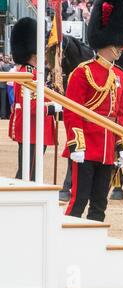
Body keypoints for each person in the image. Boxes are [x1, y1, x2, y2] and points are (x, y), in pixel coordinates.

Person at [63, 0, 123, 222]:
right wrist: (76, 143)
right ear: (108, 42)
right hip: (86, 145)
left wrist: (122, 144)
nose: (121, 48)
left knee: (100, 203)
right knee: (78, 200)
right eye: (118, 44)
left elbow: (120, 115)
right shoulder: (82, 72)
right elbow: (72, 112)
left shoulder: (121, 75)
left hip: (107, 147)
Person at [9, 17, 60, 181]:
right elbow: (29, 107)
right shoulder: (27, 74)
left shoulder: (34, 72)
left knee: (31, 171)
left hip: (36, 129)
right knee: (28, 174)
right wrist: (53, 107)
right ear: (33, 52)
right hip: (31, 130)